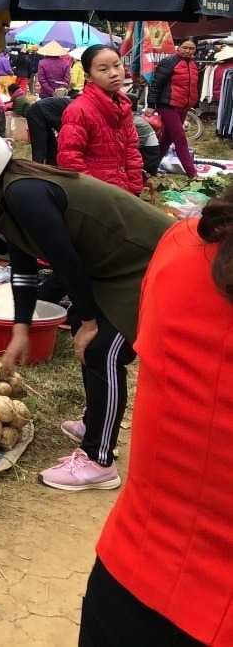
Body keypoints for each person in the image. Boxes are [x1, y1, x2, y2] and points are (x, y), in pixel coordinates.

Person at [0, 128, 173, 491]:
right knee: (88, 338)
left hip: (151, 261)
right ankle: (95, 423)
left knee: (103, 350)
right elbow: (25, 271)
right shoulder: (10, 198)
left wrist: (90, 320)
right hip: (112, 266)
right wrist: (21, 330)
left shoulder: (24, 192)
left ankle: (99, 461)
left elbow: (65, 261)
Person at [80, 185, 233, 645]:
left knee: (105, 354)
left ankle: (97, 453)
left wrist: (87, 318)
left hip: (129, 579)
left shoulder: (183, 246)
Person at [56, 45, 143, 195]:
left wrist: (134, 190)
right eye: (103, 69)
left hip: (123, 192)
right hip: (97, 196)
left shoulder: (124, 107)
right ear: (88, 76)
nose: (114, 73)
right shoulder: (79, 110)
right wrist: (94, 194)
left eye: (117, 65)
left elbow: (131, 152)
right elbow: (70, 159)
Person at [151, 36, 200, 179]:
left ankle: (150, 167)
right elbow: (156, 84)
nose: (188, 51)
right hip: (167, 106)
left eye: (191, 48)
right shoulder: (169, 62)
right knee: (180, 140)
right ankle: (193, 174)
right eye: (185, 47)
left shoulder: (194, 64)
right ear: (178, 47)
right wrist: (150, 105)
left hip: (183, 108)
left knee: (167, 140)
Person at [26, 92, 74, 165]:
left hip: (45, 113)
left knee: (52, 147)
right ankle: (37, 171)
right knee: (39, 148)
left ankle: (51, 170)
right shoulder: (77, 109)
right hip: (37, 112)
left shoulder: (76, 105)